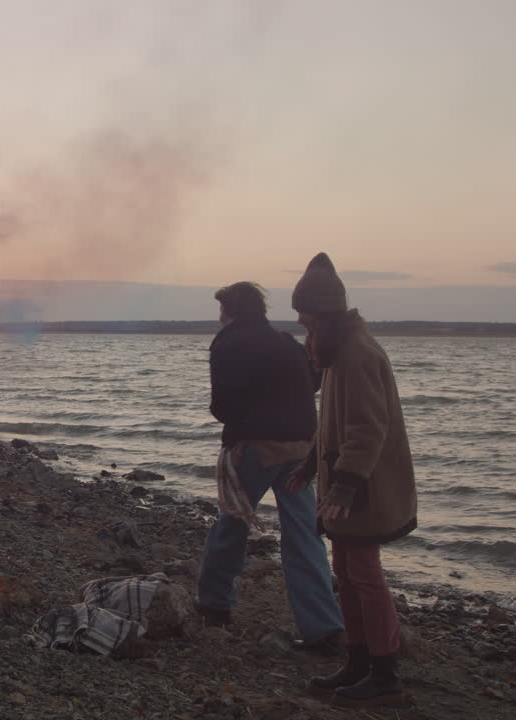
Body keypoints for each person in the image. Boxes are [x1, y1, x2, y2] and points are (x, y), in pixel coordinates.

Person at [289, 252, 417, 707]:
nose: (300, 321)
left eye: (304, 313)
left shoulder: (357, 354)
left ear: (322, 311)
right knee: (344, 573)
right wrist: (309, 465)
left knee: (364, 574)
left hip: (365, 488)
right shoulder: (338, 351)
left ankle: (386, 674)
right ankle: (359, 662)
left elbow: (367, 427)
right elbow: (333, 426)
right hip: (346, 482)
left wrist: (344, 485)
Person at [195, 281, 345, 651]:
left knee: (232, 522)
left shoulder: (227, 343)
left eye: (221, 311)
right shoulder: (285, 341)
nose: (219, 318)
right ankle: (324, 628)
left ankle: (214, 605)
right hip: (301, 446)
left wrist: (247, 416)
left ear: (229, 311)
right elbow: (312, 379)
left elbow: (221, 407)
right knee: (304, 534)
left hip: (255, 446)